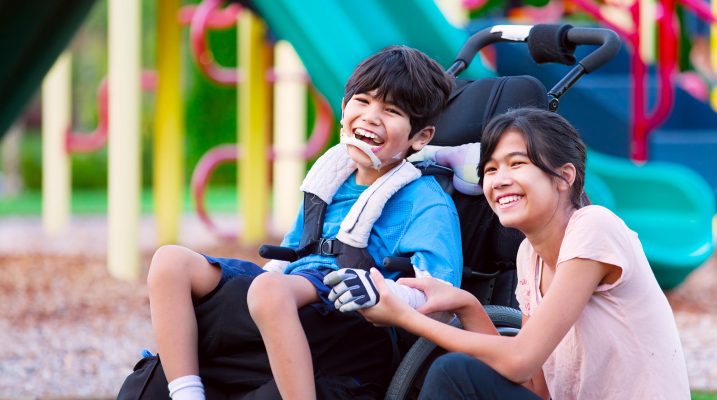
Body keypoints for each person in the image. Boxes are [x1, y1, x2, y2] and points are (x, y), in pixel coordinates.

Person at [146, 45, 461, 400]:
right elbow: (291, 255)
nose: (371, 117)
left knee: (267, 291)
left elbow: (440, 293)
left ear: (420, 137)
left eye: (390, 111)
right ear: (344, 109)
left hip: (352, 308)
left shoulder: (425, 200)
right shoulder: (330, 180)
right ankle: (186, 392)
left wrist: (387, 292)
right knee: (169, 261)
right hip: (296, 287)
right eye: (363, 101)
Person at [348, 108, 690, 399]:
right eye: (491, 169)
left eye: (516, 163)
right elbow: (534, 385)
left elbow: (520, 359)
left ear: (564, 177)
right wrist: (465, 304)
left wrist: (406, 317)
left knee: (455, 373)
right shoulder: (530, 254)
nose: (499, 180)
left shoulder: (594, 227)